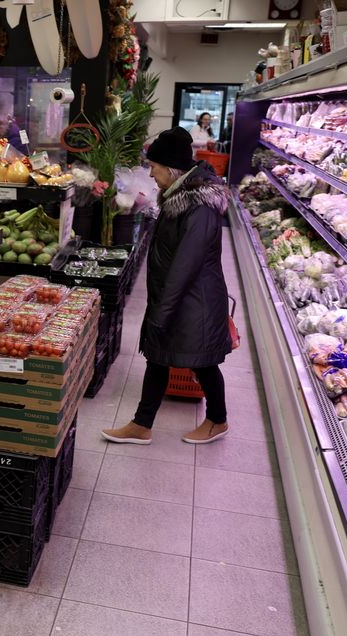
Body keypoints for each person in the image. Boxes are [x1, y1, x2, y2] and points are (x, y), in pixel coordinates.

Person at [102, 127, 232, 445]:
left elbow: (186, 264)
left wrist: (163, 309)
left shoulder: (199, 205)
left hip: (194, 298)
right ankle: (142, 424)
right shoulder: (178, 196)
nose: (151, 173)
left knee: (202, 362)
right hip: (177, 296)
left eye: (154, 167)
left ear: (171, 169)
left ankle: (218, 420)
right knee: (158, 357)